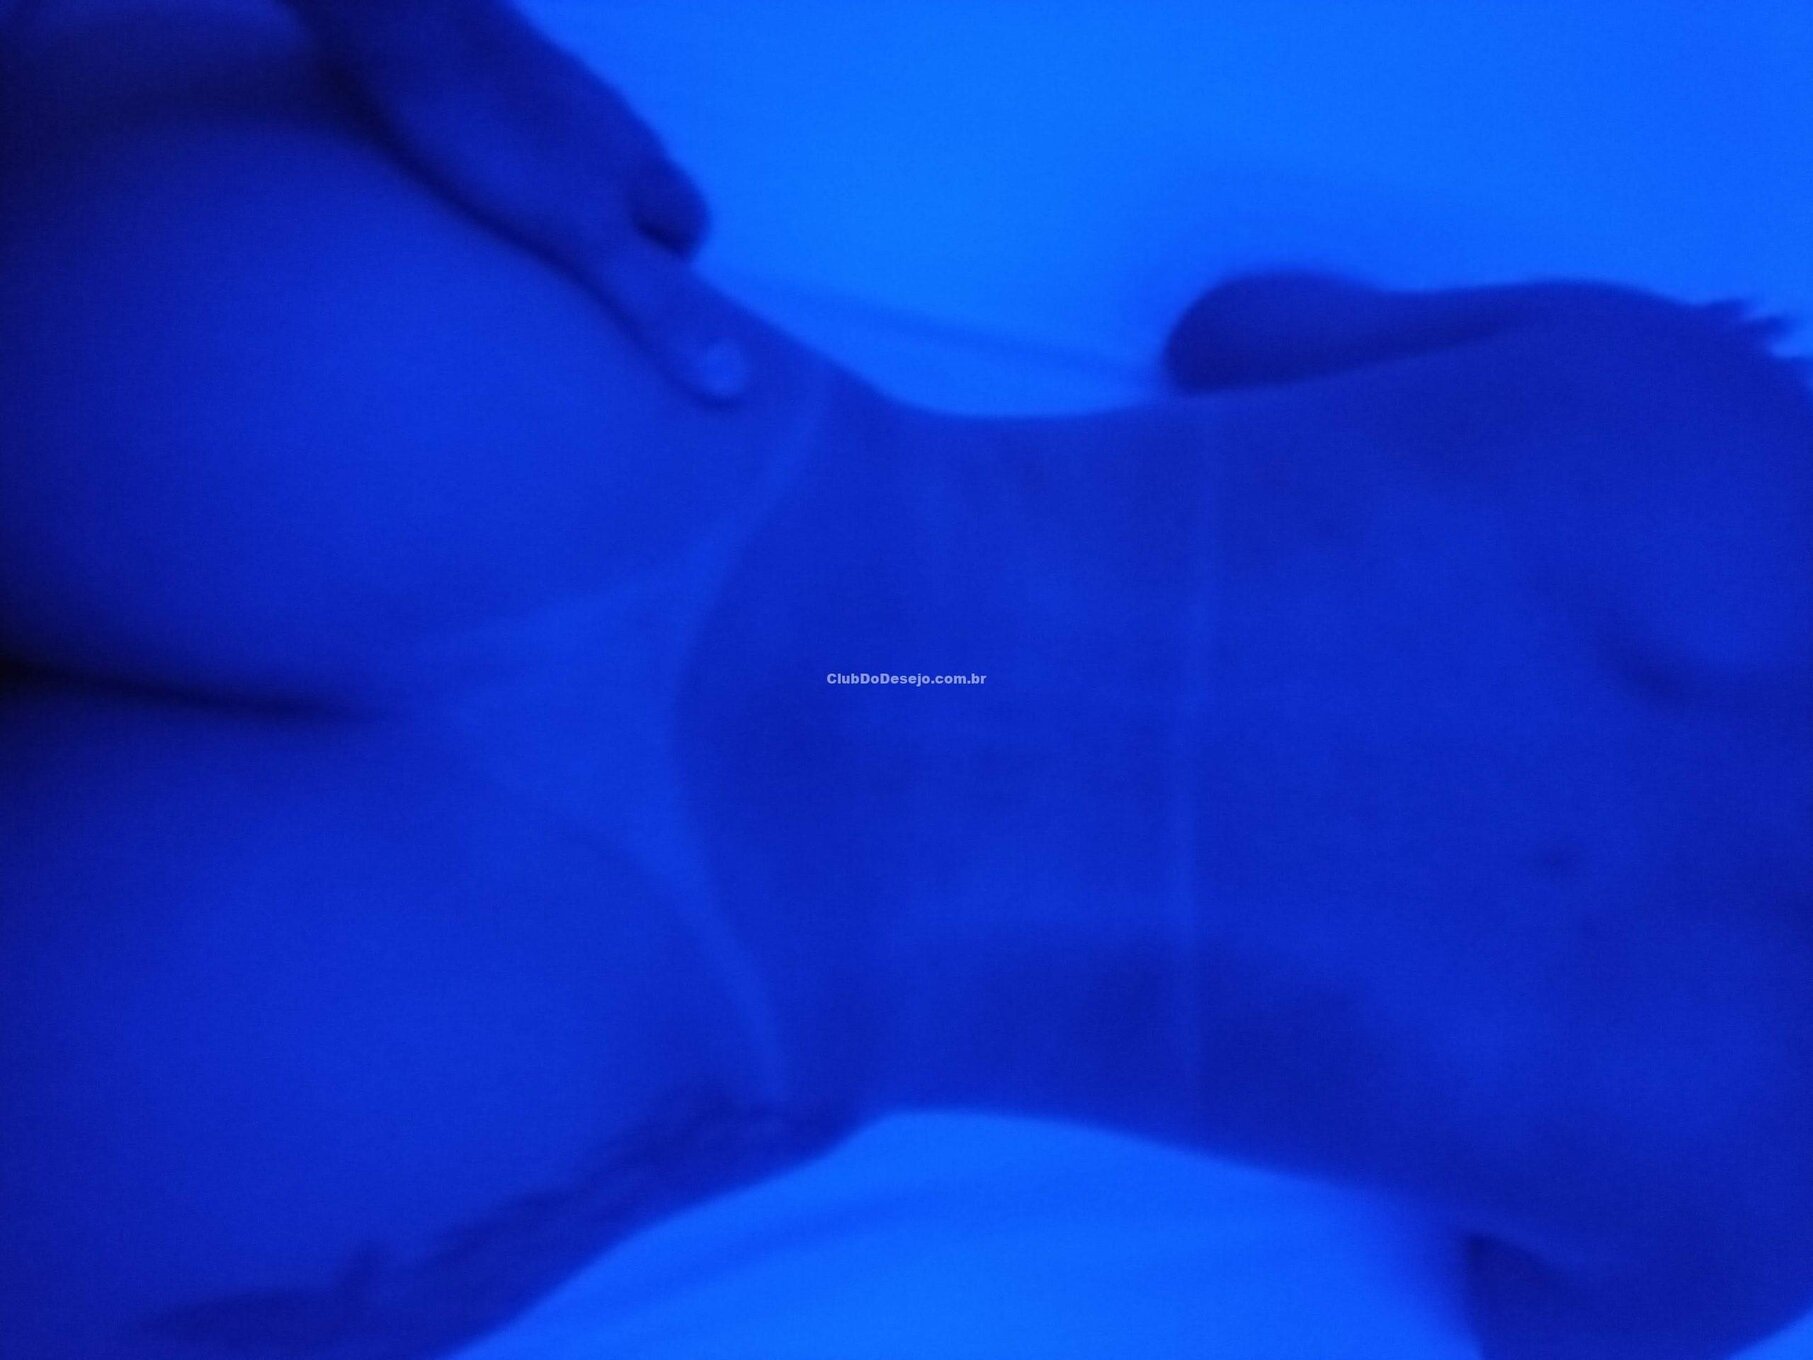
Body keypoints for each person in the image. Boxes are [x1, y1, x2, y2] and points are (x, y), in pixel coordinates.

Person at [2, 3, 1811, 1359]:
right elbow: (1538, 1329)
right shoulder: (1760, 1186)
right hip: (571, 1010)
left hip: (566, 430)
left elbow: (1242, 327)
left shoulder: (1712, 419)